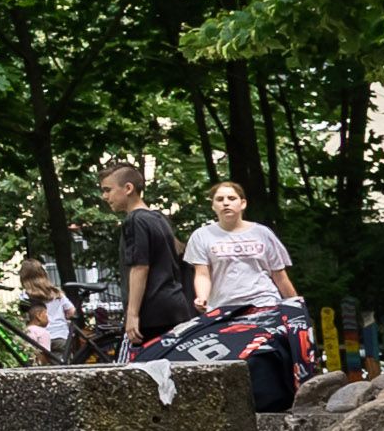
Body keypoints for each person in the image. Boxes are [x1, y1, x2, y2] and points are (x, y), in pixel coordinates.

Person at [185, 177, 309, 411]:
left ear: (242, 203)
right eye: (220, 199)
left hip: (264, 304)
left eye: (231, 198)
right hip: (224, 309)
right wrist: (201, 297)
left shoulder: (263, 234)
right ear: (213, 205)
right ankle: (235, 407)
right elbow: (202, 273)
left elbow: (279, 275)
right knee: (231, 359)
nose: (226, 203)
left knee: (265, 356)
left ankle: (273, 405)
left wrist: (295, 305)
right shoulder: (202, 236)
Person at [99, 160, 198, 352]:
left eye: (108, 190)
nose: (105, 196)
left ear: (128, 188)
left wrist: (132, 314)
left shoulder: (135, 220)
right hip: (175, 307)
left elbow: (140, 267)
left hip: (152, 313)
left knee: (144, 375)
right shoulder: (158, 218)